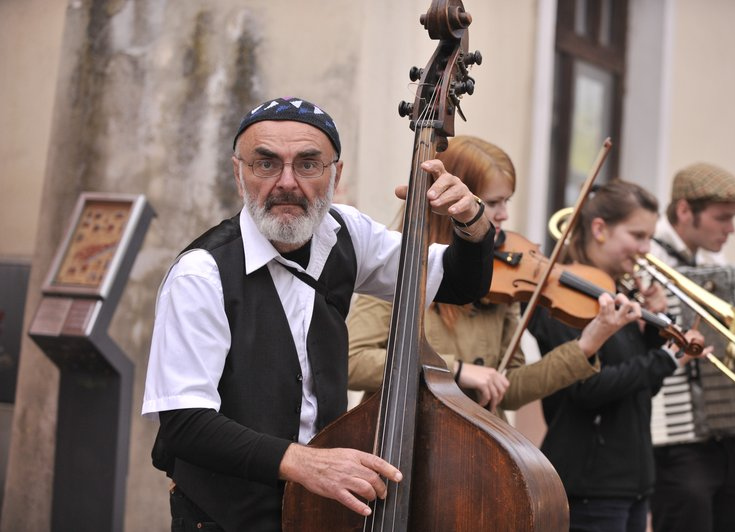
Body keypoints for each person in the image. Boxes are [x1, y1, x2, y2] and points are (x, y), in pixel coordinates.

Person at [141, 97, 497, 532]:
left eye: (308, 164)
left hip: (320, 515)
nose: (287, 182)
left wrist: (473, 221)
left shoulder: (346, 233)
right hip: (223, 518)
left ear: (336, 174)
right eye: (266, 164)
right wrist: (305, 464)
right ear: (238, 173)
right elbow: (184, 422)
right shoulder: (201, 274)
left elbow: (458, 284)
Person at [348, 135, 643, 416]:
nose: (503, 215)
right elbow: (353, 361)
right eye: (492, 203)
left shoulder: (500, 276)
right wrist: (457, 370)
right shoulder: (403, 265)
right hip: (410, 437)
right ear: (449, 198)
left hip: (483, 445)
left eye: (507, 202)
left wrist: (586, 345)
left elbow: (509, 389)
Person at [527, 180, 708, 532]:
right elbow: (585, 389)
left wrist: (656, 337)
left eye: (649, 239)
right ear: (599, 229)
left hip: (633, 482)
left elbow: (639, 390)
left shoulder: (619, 293)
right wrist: (665, 359)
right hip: (590, 485)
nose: (645, 250)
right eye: (637, 236)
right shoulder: (561, 294)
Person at [648, 162, 735, 532]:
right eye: (722, 218)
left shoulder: (712, 259)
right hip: (668, 423)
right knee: (688, 507)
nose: (731, 229)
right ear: (684, 211)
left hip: (717, 421)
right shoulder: (647, 253)